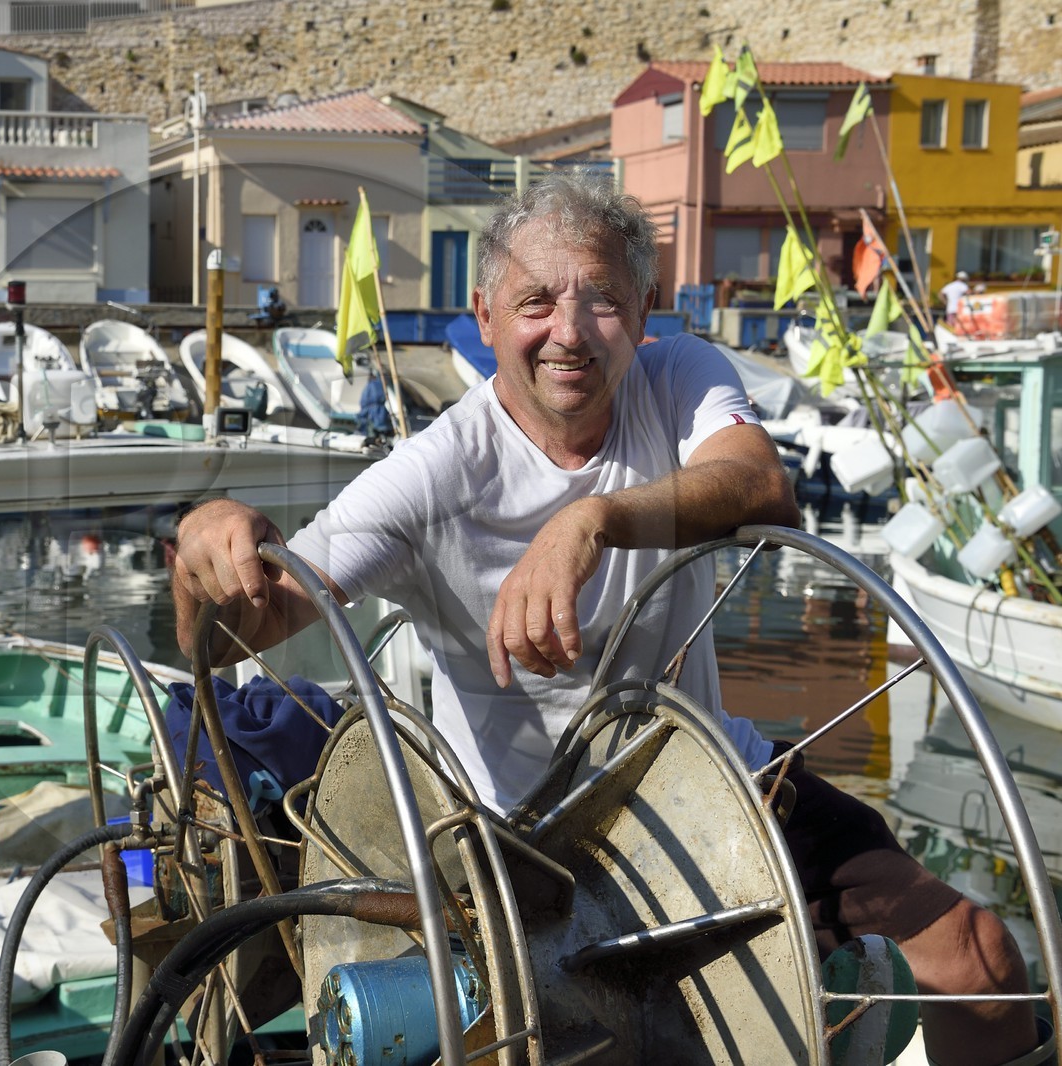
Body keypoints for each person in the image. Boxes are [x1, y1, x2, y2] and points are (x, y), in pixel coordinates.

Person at [172, 171, 1041, 1066]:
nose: (571, 332)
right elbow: (248, 628)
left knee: (978, 956)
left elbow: (759, 486)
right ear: (484, 316)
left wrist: (588, 520)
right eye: (537, 301)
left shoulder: (679, 377)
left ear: (646, 308)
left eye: (602, 301)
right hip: (527, 851)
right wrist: (201, 545)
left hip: (711, 785)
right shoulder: (432, 476)